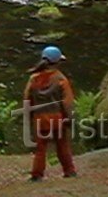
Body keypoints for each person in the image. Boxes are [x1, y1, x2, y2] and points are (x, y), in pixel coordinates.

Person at [23, 46, 76, 181]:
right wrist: (69, 118)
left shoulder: (33, 79)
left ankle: (37, 174)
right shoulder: (60, 78)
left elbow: (27, 99)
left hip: (40, 119)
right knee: (62, 145)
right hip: (58, 118)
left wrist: (28, 116)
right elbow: (67, 102)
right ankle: (69, 171)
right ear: (58, 62)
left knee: (40, 149)